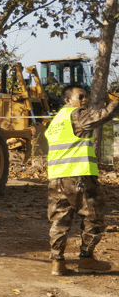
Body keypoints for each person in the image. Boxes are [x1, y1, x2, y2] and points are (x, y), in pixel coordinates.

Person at [45, 86, 119, 275]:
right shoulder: (76, 114)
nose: (85, 99)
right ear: (67, 100)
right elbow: (104, 115)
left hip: (56, 178)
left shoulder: (56, 120)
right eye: (81, 96)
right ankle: (86, 259)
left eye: (86, 96)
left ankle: (57, 263)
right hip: (78, 176)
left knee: (59, 220)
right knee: (94, 215)